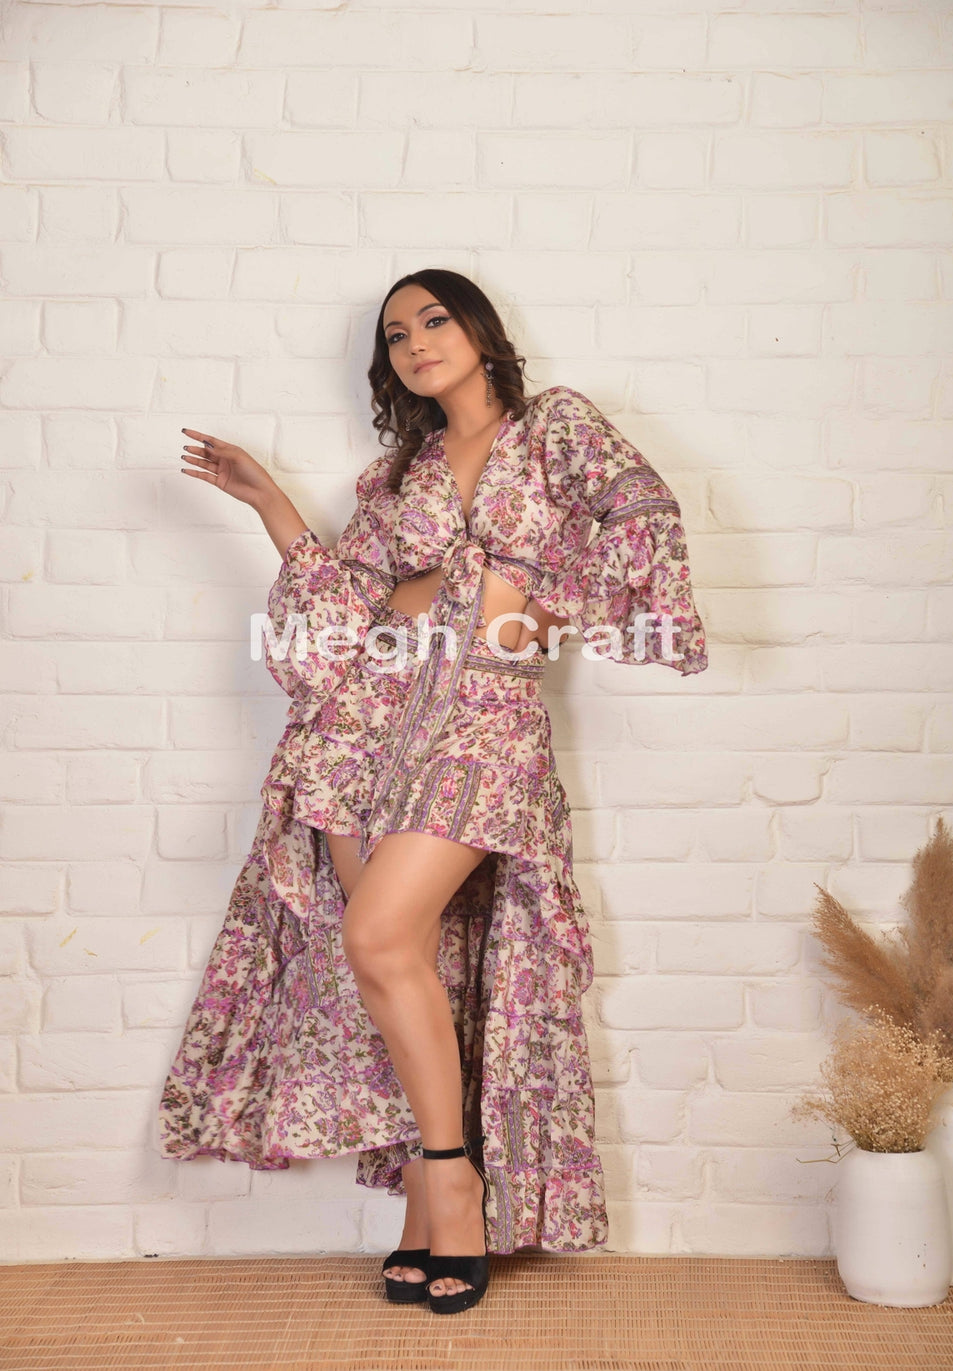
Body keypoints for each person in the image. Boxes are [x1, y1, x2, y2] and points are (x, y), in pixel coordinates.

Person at [158, 268, 708, 1315]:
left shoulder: (554, 429)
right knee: (401, 962)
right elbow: (349, 609)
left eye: (434, 319)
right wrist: (271, 502)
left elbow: (643, 517)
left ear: (482, 331)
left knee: (377, 937)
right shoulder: (398, 474)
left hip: (483, 721)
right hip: (367, 727)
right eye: (396, 335)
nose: (415, 343)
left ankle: (453, 1183)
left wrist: (533, 601)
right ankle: (425, 1193)